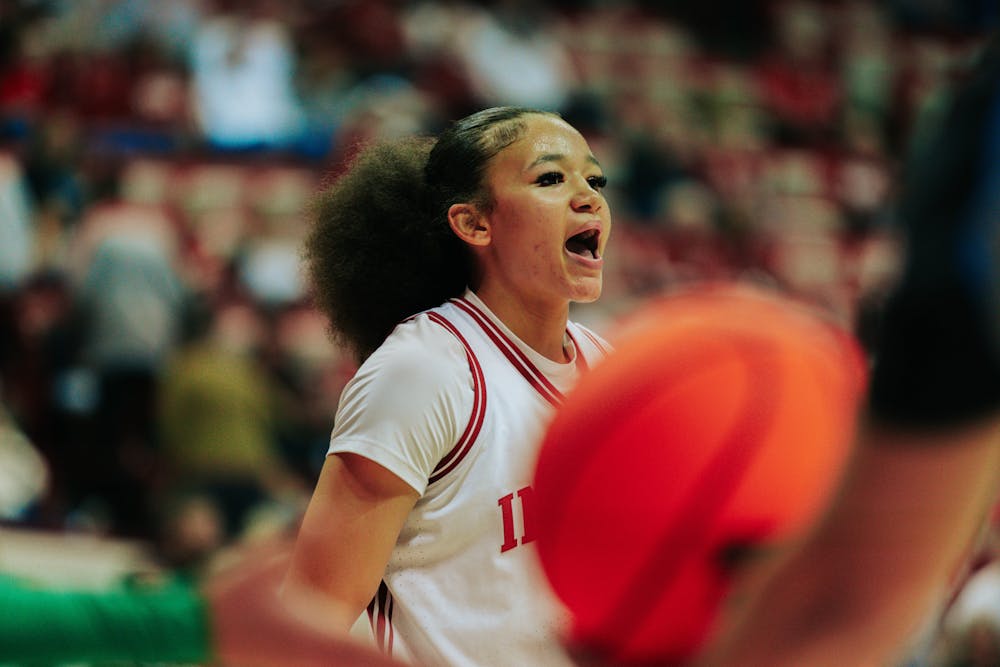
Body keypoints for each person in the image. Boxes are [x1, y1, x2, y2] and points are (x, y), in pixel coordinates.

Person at [282, 106, 613, 665]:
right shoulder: (424, 371)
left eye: (594, 179)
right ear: (474, 224)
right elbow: (311, 615)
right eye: (551, 178)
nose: (589, 197)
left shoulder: (612, 370)